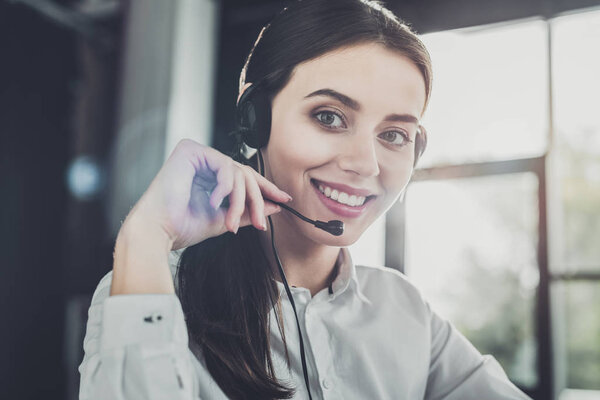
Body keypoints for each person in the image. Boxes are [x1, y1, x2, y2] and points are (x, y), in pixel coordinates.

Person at [79, 0, 533, 399]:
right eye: (330, 117)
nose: (367, 164)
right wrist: (146, 232)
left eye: (394, 134)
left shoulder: (404, 310)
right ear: (254, 119)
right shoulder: (149, 288)